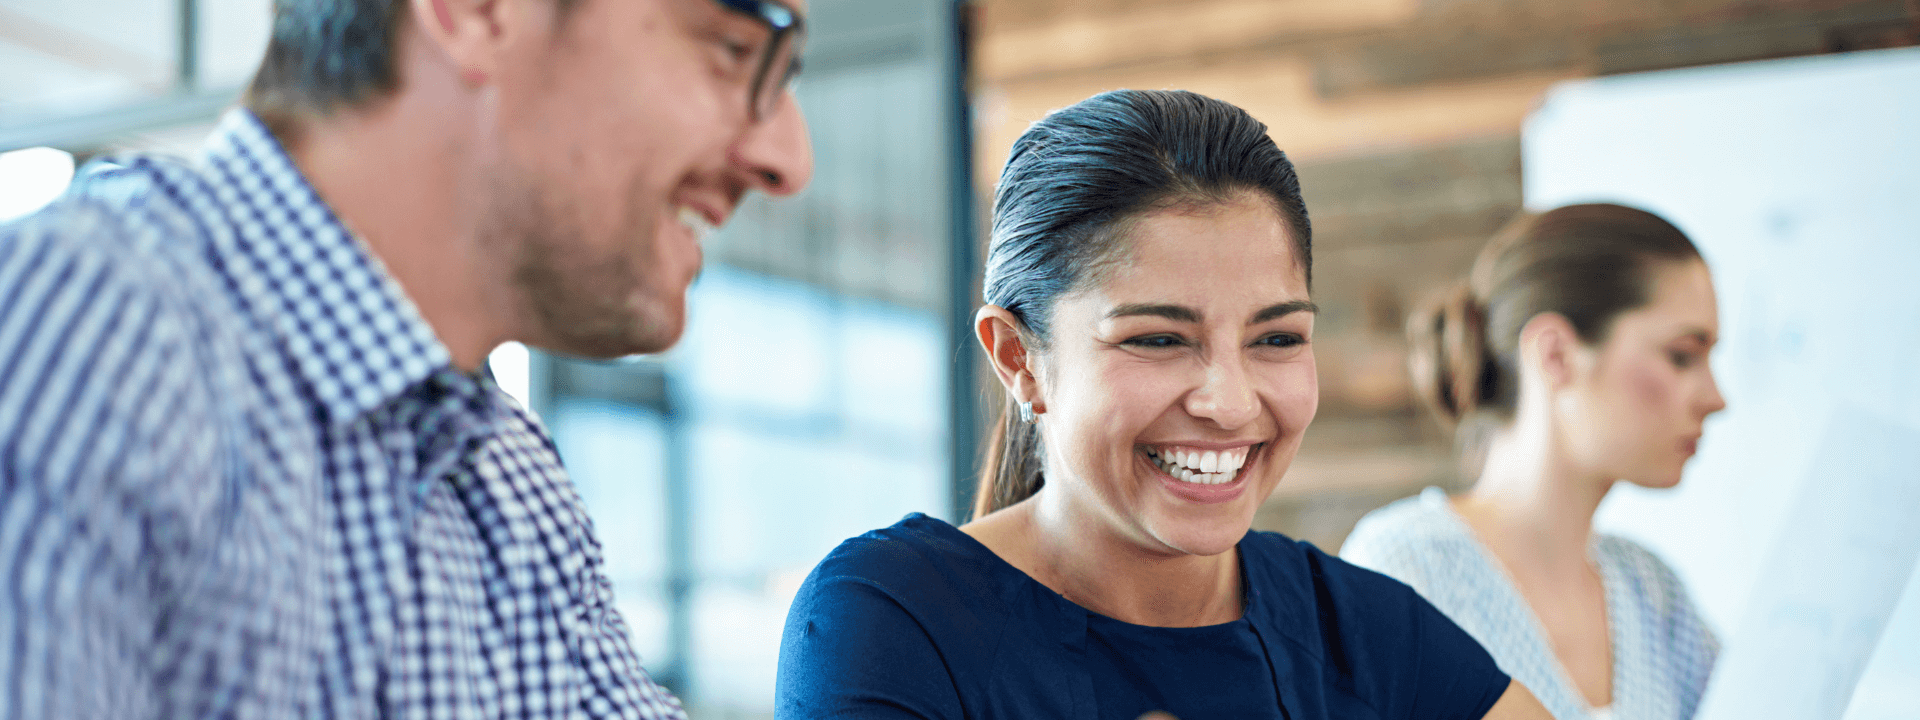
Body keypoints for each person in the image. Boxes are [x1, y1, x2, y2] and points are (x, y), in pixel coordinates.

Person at [0, 0, 811, 716]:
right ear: (480, 13)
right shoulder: (87, 327)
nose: (788, 158)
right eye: (735, 48)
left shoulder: (507, 477)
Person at [775, 89, 1549, 720]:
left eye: (1276, 340)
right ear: (1019, 358)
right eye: (1155, 340)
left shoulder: (1369, 635)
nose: (1230, 400)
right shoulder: (891, 618)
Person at [1340, 204, 1726, 720]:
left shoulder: (1653, 594)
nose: (1715, 397)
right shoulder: (1403, 572)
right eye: (1681, 356)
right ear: (1555, 355)